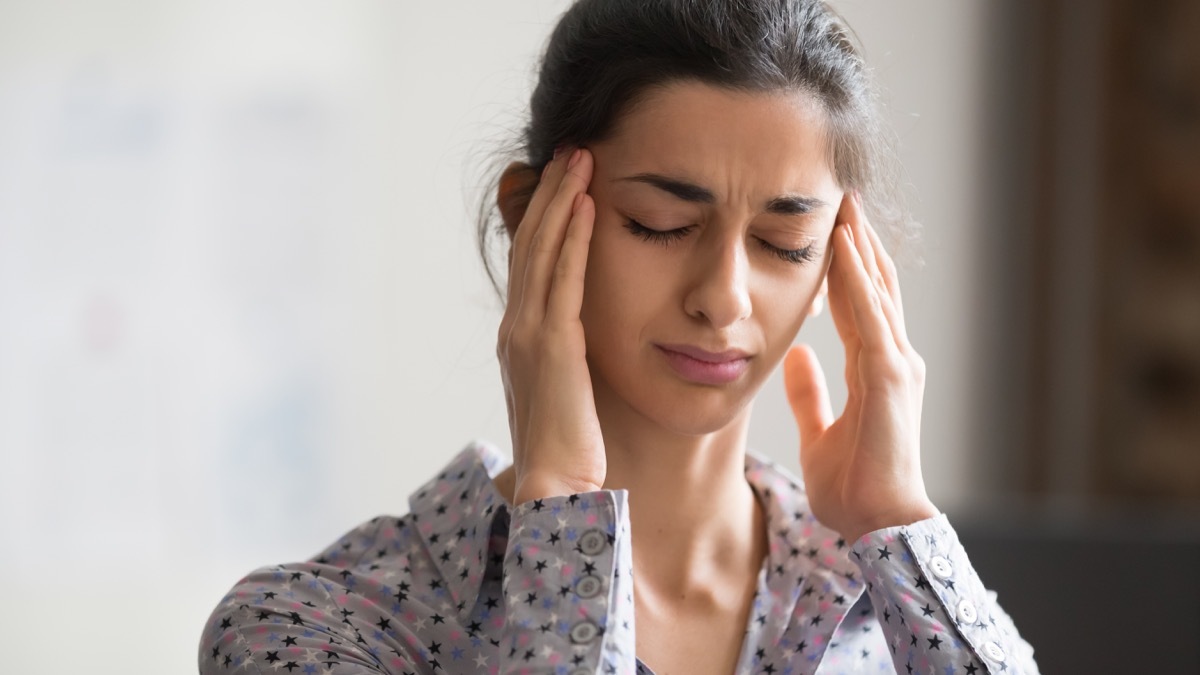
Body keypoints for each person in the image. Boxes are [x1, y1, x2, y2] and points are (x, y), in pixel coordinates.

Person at [198, 1, 1040, 673]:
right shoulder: (312, 626)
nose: (723, 298)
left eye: (784, 243)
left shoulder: (887, 607)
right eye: (661, 223)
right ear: (531, 217)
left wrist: (896, 519)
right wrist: (562, 509)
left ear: (836, 264)